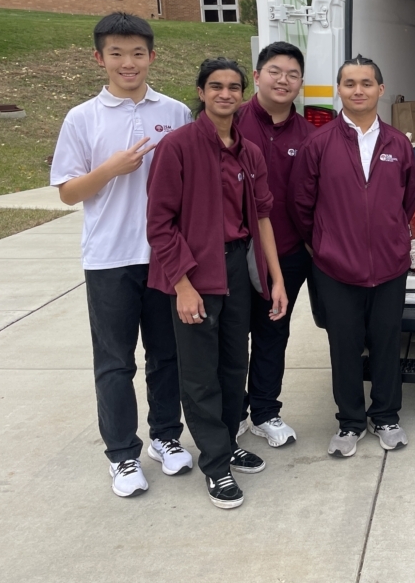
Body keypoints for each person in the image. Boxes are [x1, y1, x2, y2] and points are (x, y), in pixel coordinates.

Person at [51, 12, 194, 498]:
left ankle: (166, 438)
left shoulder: (175, 113)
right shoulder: (82, 117)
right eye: (117, 53)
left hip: (164, 258)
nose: (127, 63)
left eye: (137, 53)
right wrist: (110, 169)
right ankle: (122, 455)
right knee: (115, 361)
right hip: (109, 258)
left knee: (166, 355)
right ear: (99, 58)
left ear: (152, 56)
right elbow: (69, 192)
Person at [146, 58, 288, 510]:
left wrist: (276, 280)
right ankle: (215, 464)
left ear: (242, 94)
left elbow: (263, 217)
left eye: (232, 87)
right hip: (195, 274)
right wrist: (182, 285)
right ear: (201, 92)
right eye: (215, 86)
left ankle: (226, 442)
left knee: (233, 365)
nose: (225, 94)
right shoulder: (178, 146)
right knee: (200, 373)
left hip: (237, 273)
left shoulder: (249, 152)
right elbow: (159, 223)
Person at [291, 55, 415, 458]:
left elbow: (407, 201)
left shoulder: (398, 144)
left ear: (381, 90)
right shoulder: (319, 143)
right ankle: (349, 422)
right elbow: (301, 205)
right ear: (339, 90)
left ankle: (386, 416)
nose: (358, 90)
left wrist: (390, 240)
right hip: (335, 268)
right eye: (349, 83)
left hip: (389, 266)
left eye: (366, 83)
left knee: (385, 342)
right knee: (343, 346)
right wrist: (325, 246)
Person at [235, 41, 317, 448]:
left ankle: (265, 411)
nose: (283, 80)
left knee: (273, 333)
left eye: (292, 74)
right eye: (275, 71)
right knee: (231, 337)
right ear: (256, 75)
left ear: (301, 83)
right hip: (231, 253)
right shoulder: (229, 121)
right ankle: (232, 412)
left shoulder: (310, 136)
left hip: (287, 254)